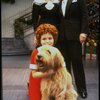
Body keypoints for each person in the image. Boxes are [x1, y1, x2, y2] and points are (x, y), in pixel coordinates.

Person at [57, 0, 89, 99]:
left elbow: (84, 15)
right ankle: (66, 89)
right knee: (64, 64)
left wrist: (83, 32)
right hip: (61, 37)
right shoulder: (59, 1)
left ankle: (82, 89)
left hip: (75, 35)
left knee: (77, 63)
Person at [28, 23, 59, 100]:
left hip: (52, 82)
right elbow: (34, 74)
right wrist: (48, 73)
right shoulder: (35, 52)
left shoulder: (56, 51)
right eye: (44, 39)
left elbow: (62, 68)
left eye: (50, 38)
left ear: (54, 39)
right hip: (37, 82)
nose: (47, 41)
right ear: (39, 40)